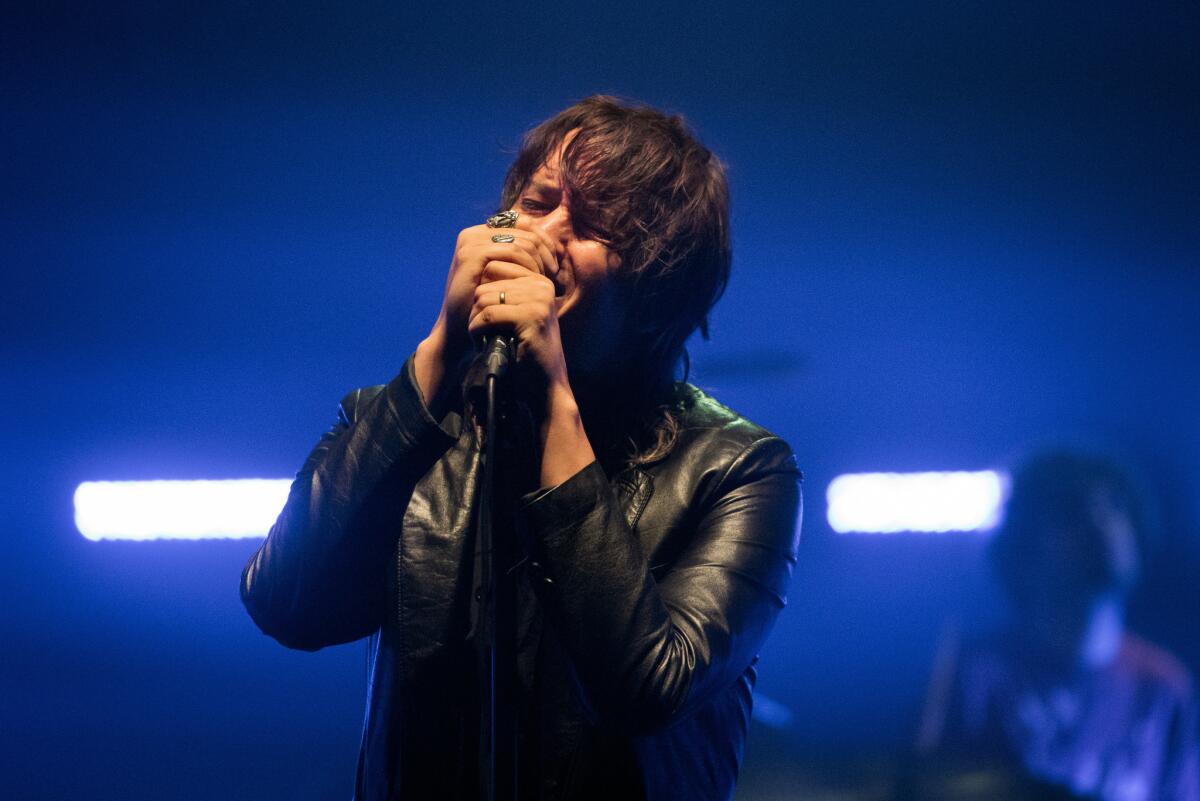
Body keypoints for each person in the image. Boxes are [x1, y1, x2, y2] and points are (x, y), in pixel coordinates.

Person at [240, 95, 802, 801]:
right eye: (533, 204)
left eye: (595, 225)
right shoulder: (403, 425)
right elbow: (285, 600)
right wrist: (441, 353)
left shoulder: (736, 470)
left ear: (658, 290)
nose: (545, 234)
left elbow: (645, 688)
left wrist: (554, 397)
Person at [917, 450, 1198, 801]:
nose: (1100, 522)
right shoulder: (978, 675)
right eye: (1072, 511)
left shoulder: (1161, 687)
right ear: (1025, 546)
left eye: (1113, 505)